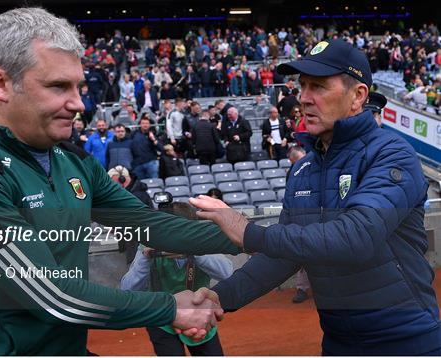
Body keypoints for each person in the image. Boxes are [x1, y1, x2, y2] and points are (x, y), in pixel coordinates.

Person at [0, 8, 239, 355]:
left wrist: (255, 235)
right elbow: (54, 296)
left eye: (78, 86)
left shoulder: (71, 158)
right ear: (0, 84)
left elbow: (148, 224)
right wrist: (170, 308)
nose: (79, 103)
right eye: (58, 86)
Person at [189, 39, 441, 355]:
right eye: (303, 86)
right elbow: (285, 255)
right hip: (338, 342)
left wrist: (247, 232)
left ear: (358, 96)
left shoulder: (391, 154)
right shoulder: (304, 167)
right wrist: (221, 297)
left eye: (318, 87)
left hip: (407, 341)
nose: (304, 99)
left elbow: (356, 236)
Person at [121, 201, 232, 356]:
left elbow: (227, 273)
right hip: (161, 318)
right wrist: (145, 258)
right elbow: (127, 290)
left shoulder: (201, 243)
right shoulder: (148, 245)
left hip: (198, 315)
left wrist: (197, 251)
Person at [107, 165, 151, 264]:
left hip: (137, 242)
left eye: (112, 181)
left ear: (122, 179)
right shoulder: (126, 193)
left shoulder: (138, 195)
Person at [285, 146, 310, 304]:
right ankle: (302, 288)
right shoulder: (292, 174)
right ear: (292, 161)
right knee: (303, 256)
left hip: (320, 216)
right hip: (300, 218)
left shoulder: (317, 169)